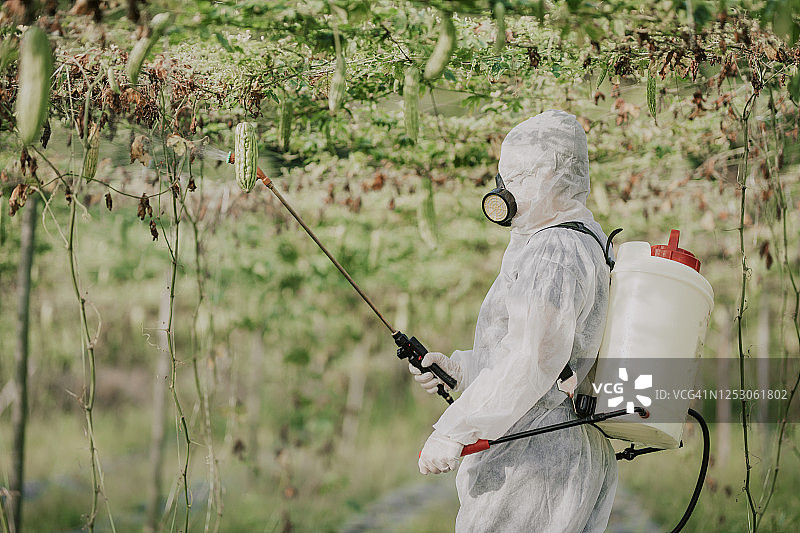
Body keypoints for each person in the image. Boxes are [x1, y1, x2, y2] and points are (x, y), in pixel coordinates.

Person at [409, 110, 617, 532]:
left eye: (518, 177)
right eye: (505, 177)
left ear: (553, 176)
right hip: (551, 450)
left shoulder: (556, 249)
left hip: (532, 463)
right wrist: (462, 368)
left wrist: (455, 429)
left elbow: (533, 358)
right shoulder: (574, 240)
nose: (504, 191)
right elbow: (549, 352)